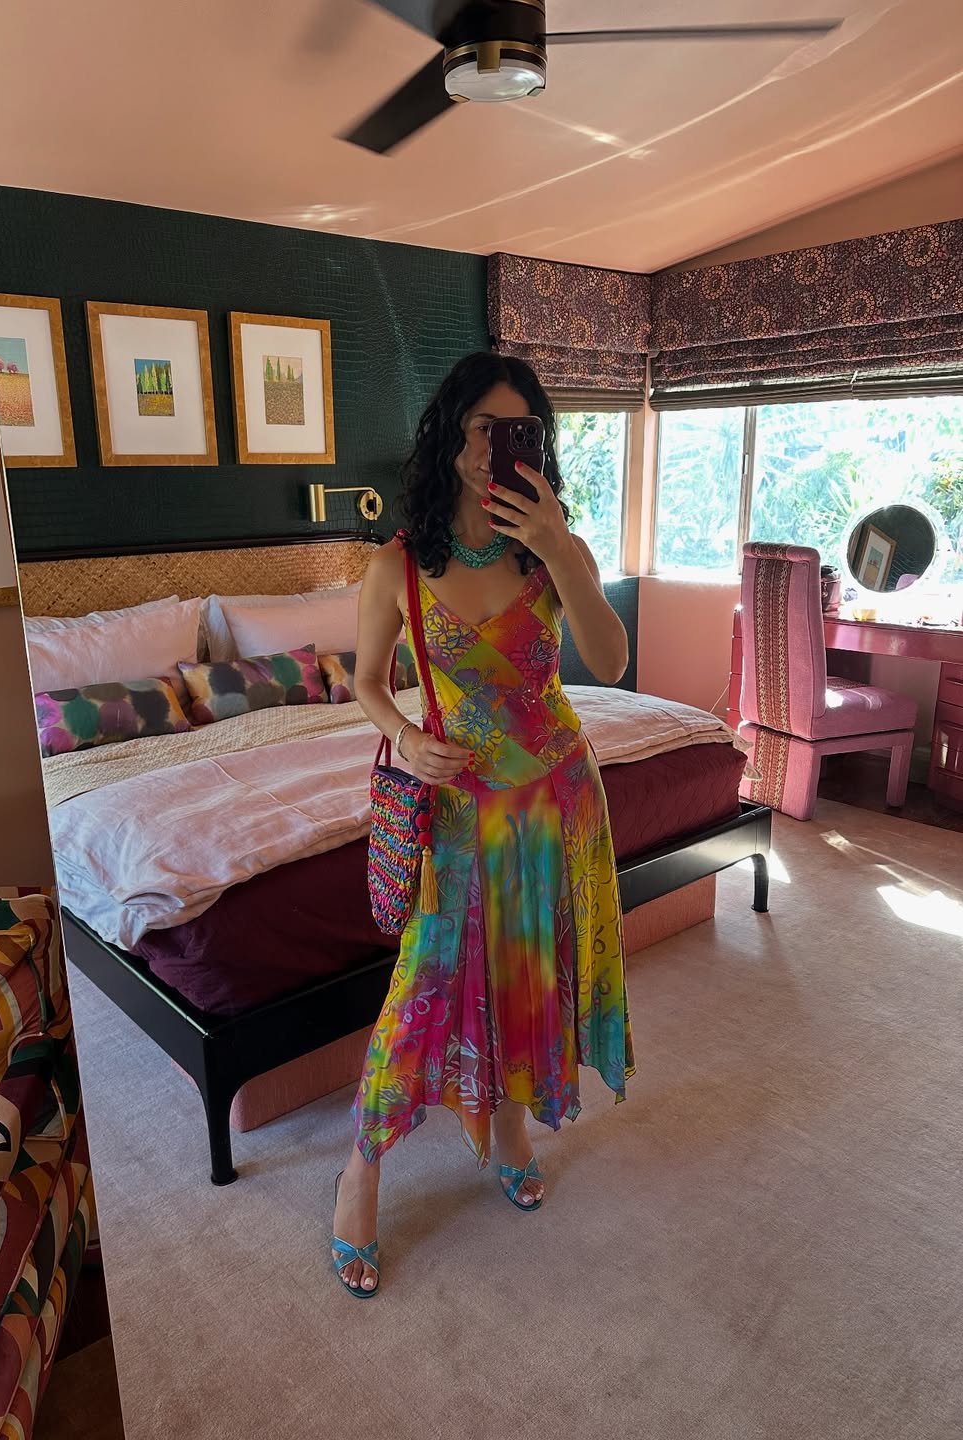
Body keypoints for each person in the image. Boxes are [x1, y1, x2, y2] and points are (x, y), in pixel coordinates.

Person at [330, 352, 635, 1297]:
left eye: (513, 431)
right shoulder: (396, 565)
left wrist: (560, 548)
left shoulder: (555, 551)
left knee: (528, 974)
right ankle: (360, 1172)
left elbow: (611, 662)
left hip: (559, 804)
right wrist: (403, 738)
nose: (491, 448)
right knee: (424, 986)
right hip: (461, 813)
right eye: (478, 428)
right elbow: (366, 682)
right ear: (448, 435)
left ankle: (508, 1127)